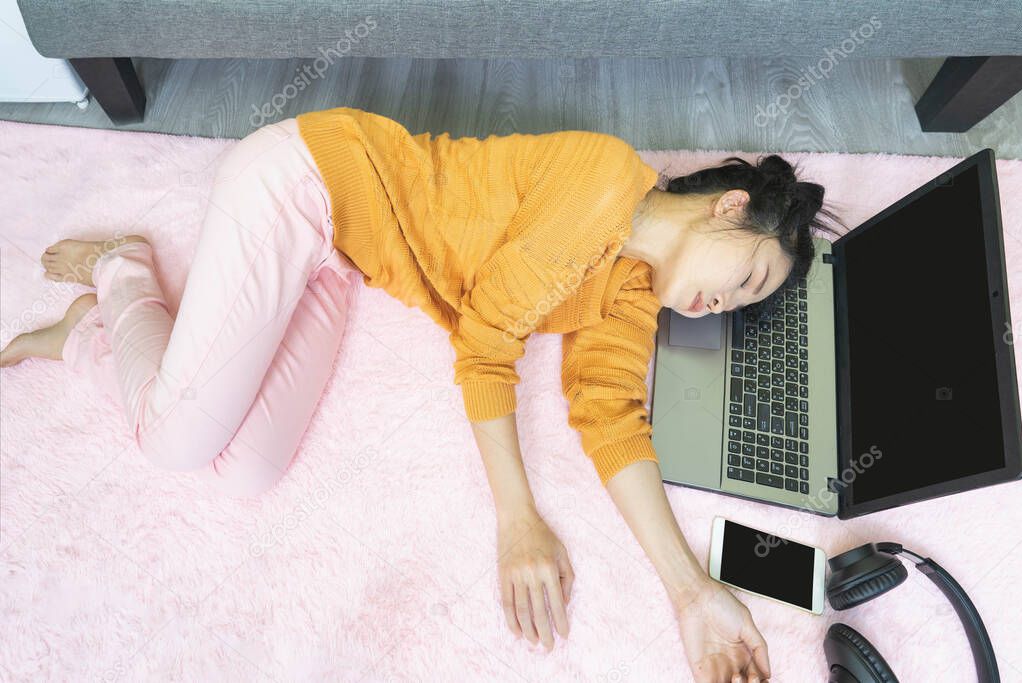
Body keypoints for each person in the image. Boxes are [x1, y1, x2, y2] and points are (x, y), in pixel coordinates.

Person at [0, 106, 843, 683]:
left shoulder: (636, 290)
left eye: (741, 305)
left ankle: (87, 337)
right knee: (173, 441)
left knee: (246, 468)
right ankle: (122, 271)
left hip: (347, 257)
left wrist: (691, 590)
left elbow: (609, 413)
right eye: (746, 277)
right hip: (307, 181)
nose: (724, 304)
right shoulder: (603, 182)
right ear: (731, 207)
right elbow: (486, 342)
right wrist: (517, 516)